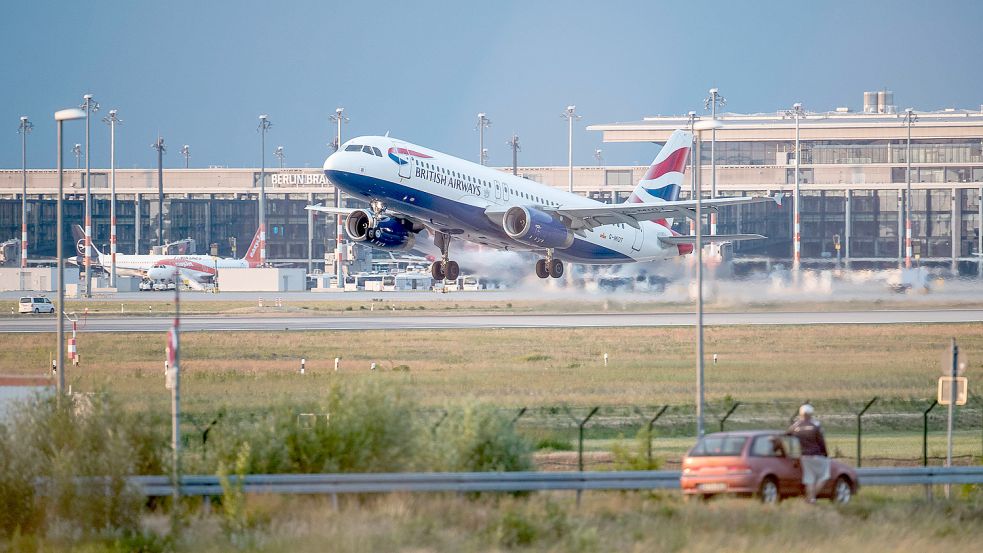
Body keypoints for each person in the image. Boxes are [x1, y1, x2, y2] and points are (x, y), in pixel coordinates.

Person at [787, 403, 829, 503]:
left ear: (801, 414)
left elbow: (787, 434)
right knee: (824, 476)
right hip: (816, 455)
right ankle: (812, 498)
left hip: (804, 456)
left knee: (809, 479)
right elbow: (821, 441)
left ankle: (810, 499)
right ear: (811, 414)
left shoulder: (796, 425)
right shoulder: (816, 424)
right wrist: (825, 453)